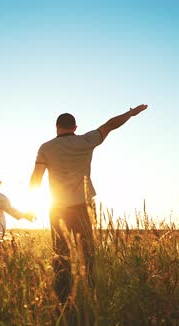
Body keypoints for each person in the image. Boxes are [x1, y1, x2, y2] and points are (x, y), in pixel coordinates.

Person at [29, 104, 149, 303]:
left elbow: (36, 179)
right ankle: (92, 295)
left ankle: (63, 298)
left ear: (56, 127)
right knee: (88, 252)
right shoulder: (86, 140)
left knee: (60, 253)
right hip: (82, 207)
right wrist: (130, 113)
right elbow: (110, 125)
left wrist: (30, 205)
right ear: (75, 127)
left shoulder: (46, 148)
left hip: (57, 208)